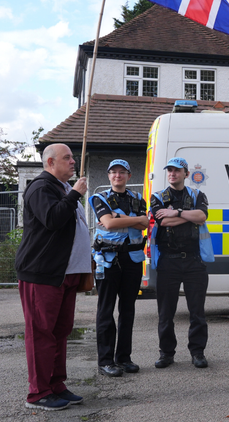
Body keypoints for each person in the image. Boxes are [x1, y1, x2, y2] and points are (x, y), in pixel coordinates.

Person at [15, 143, 90, 411]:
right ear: (50, 163)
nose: (73, 162)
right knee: (40, 333)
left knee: (60, 331)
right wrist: (76, 196)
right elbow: (52, 219)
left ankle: (56, 385)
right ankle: (37, 393)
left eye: (72, 157)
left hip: (65, 273)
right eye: (67, 158)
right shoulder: (40, 187)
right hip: (42, 273)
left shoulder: (64, 188)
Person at [89, 159, 149, 377]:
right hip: (107, 260)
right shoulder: (99, 198)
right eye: (113, 172)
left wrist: (118, 217)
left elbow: (146, 223)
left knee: (128, 310)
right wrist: (133, 219)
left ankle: (124, 358)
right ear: (108, 176)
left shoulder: (137, 198)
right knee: (106, 310)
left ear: (129, 176)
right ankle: (105, 361)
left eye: (122, 172)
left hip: (132, 260)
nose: (117, 175)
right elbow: (109, 223)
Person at [149, 157, 210, 369]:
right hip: (169, 262)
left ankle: (198, 352)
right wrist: (190, 216)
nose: (172, 174)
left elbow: (202, 216)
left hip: (194, 261)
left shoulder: (197, 195)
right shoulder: (157, 197)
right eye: (170, 170)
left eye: (177, 170)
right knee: (166, 313)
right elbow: (163, 221)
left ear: (186, 173)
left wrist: (177, 212)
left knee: (197, 312)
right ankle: (166, 353)